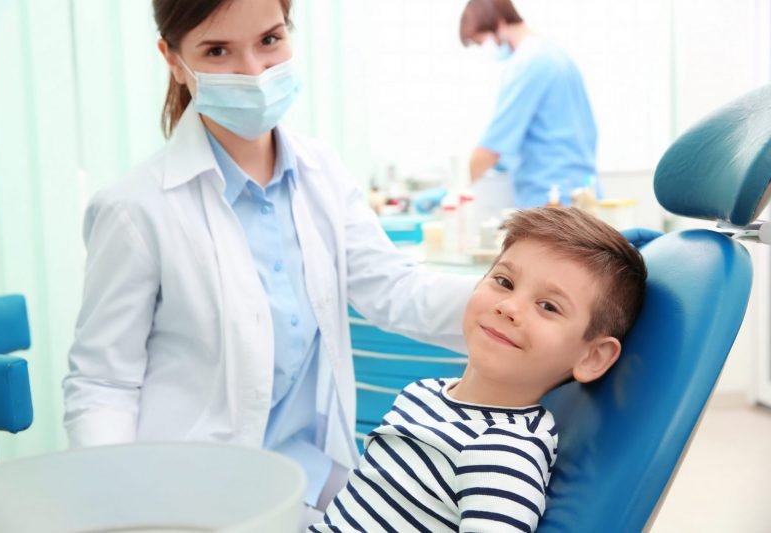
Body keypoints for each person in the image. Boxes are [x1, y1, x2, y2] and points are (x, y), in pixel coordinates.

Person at [61, 0, 476, 524]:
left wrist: (526, 300)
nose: (254, 72)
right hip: (188, 500)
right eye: (217, 50)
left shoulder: (322, 173)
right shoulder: (136, 208)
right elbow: (103, 384)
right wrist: (120, 513)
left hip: (309, 481)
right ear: (172, 59)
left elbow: (396, 292)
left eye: (270, 40)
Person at [309, 207, 647, 532]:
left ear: (593, 357)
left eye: (548, 306)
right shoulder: (423, 391)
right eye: (504, 281)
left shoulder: (504, 453)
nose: (509, 307)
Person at [460, 0, 599, 209]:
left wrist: (454, 187)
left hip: (552, 200)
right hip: (579, 192)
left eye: (481, 42)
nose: (484, 49)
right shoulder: (555, 56)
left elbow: (492, 147)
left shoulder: (528, 64)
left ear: (498, 23)